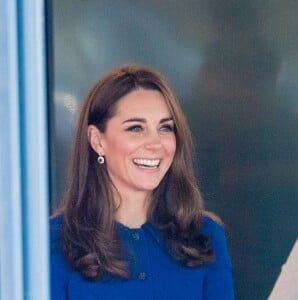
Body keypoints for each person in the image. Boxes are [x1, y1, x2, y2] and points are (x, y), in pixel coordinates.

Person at [50, 64, 234, 299]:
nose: (155, 143)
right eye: (136, 128)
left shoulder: (205, 235)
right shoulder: (53, 241)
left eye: (165, 128)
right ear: (97, 141)